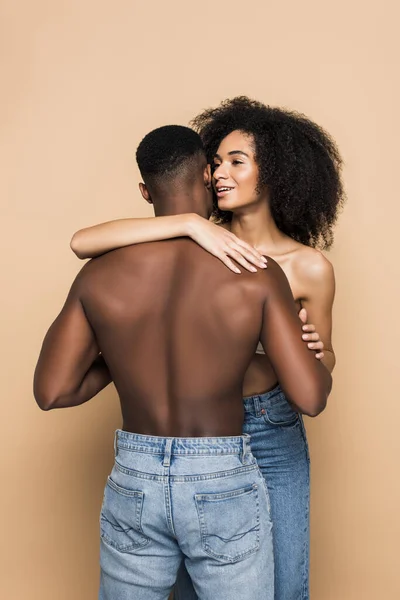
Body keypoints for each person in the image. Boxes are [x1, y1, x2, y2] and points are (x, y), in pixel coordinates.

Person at [34, 125, 332, 600]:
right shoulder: (255, 274)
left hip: (134, 474)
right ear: (205, 174)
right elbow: (310, 397)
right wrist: (303, 349)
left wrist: (128, 351)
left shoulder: (99, 274)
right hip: (221, 474)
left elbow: (51, 392)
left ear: (144, 191)